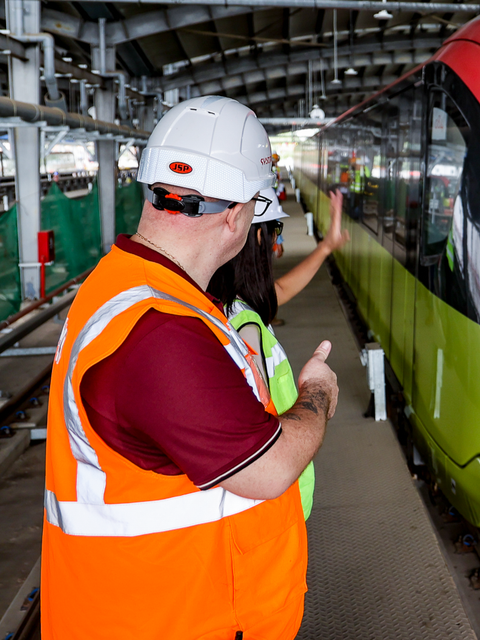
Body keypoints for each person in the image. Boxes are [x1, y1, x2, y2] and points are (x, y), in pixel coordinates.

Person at [41, 96, 339, 640]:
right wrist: (315, 395)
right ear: (234, 213)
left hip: (156, 607)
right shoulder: (158, 330)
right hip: (170, 618)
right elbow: (270, 469)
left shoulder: (133, 289)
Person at [208, 188, 350, 520]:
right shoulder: (245, 329)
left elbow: (279, 292)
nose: (277, 246)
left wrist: (327, 246)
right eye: (275, 232)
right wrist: (316, 388)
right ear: (257, 237)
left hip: (270, 502)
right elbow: (254, 442)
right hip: (272, 509)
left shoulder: (229, 302)